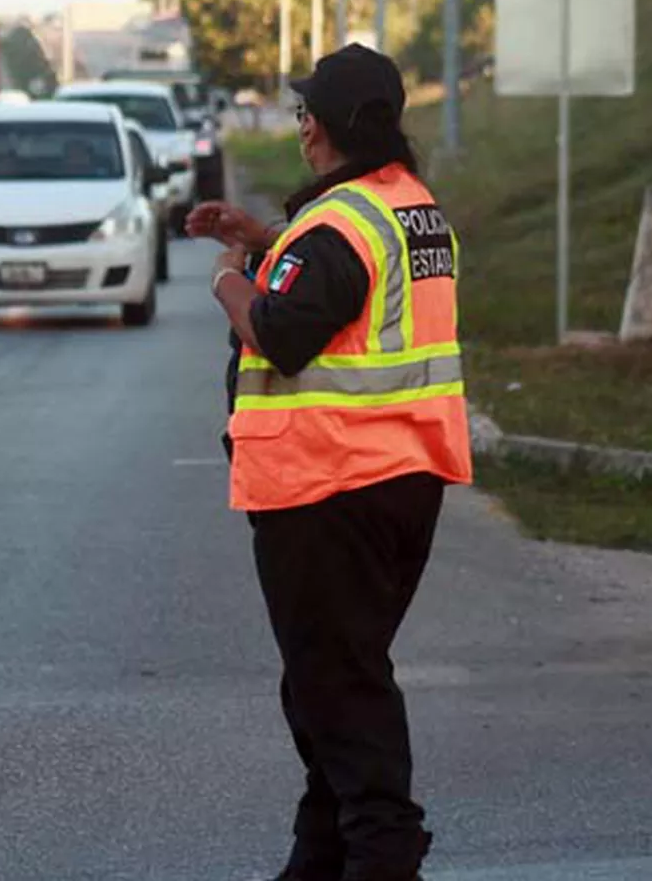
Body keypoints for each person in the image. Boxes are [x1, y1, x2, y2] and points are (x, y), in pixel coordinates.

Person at [185, 44, 474, 881]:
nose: (301, 127)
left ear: (328, 127)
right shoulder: (408, 206)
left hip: (328, 486)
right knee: (331, 677)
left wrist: (230, 278)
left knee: (338, 684)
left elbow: (282, 330)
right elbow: (348, 282)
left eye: (305, 112)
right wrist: (268, 241)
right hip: (402, 479)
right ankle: (321, 856)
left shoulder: (341, 224)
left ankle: (384, 851)